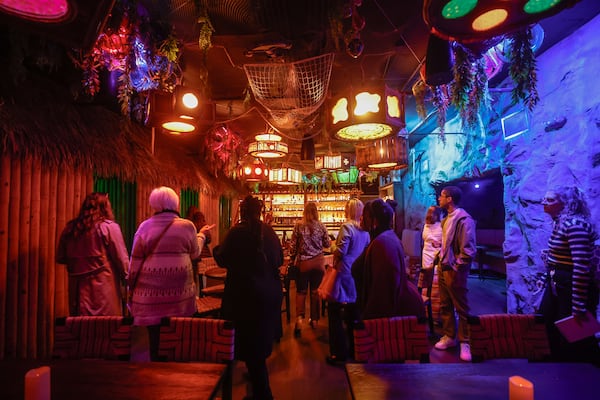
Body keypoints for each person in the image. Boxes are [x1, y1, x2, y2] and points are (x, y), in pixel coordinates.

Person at [129, 186, 212, 361]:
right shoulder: (186, 226)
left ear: (154, 204)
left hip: (150, 297)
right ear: (175, 203)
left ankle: (158, 369)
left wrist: (131, 289)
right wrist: (202, 235)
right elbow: (195, 253)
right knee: (178, 336)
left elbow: (134, 263)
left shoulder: (144, 227)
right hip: (179, 295)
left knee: (155, 339)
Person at [213, 195, 283, 400]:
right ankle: (259, 385)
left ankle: (262, 393)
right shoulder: (269, 232)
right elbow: (278, 259)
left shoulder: (237, 232)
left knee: (248, 344)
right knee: (257, 344)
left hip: (244, 294)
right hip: (268, 293)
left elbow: (221, 257)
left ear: (242, 212)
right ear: (260, 212)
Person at [540, 186, 600, 365]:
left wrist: (578, 305)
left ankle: (574, 378)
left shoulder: (575, 226)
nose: (544, 202)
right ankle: (556, 367)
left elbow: (581, 266)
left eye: (550, 200)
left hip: (571, 286)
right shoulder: (561, 223)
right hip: (559, 282)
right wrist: (545, 279)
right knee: (548, 323)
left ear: (567, 204)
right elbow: (556, 259)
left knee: (573, 336)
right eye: (545, 198)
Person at [56, 192, 129, 316]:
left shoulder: (70, 229)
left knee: (81, 330)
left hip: (78, 294)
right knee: (107, 329)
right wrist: (130, 281)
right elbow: (121, 259)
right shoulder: (109, 228)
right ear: (105, 207)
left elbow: (61, 257)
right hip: (105, 292)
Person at [354, 198, 424, 320]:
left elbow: (382, 290)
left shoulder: (382, 243)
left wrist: (369, 319)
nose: (361, 219)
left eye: (364, 215)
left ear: (374, 220)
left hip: (382, 317)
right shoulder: (384, 237)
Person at [434, 186, 477, 362]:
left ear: (449, 198)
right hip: (443, 267)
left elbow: (468, 249)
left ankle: (465, 341)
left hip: (453, 269)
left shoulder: (464, 220)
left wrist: (458, 267)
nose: (439, 199)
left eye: (442, 196)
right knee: (445, 304)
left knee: (461, 306)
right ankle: (449, 336)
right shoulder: (445, 220)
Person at [326, 198, 370, 365]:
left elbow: (341, 252)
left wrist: (331, 246)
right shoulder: (365, 231)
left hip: (343, 272)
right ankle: (356, 348)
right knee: (353, 311)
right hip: (356, 273)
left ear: (348, 210)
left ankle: (338, 352)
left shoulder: (346, 227)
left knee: (334, 310)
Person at [289, 202, 331, 336]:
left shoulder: (299, 226)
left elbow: (293, 246)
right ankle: (314, 320)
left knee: (301, 292)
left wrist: (292, 258)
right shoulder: (322, 226)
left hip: (304, 264)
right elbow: (327, 244)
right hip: (318, 263)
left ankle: (299, 320)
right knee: (315, 292)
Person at [419, 206, 443, 300]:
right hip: (427, 252)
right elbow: (425, 238)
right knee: (427, 276)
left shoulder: (441, 225)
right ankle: (428, 297)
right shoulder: (426, 225)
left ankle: (435, 298)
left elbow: (443, 240)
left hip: (437, 253)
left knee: (435, 276)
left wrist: (439, 243)